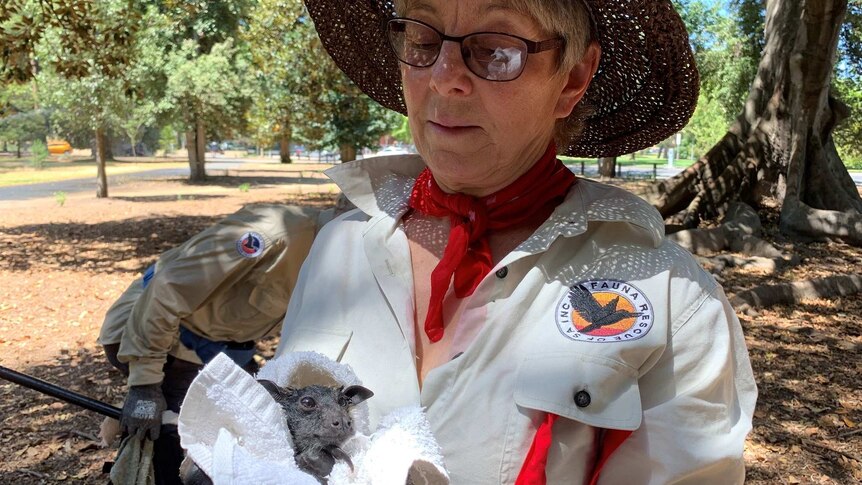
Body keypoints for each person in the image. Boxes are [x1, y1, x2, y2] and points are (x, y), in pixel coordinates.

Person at [272, 0, 758, 484]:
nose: (443, 76)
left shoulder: (673, 301)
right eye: (421, 38)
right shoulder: (340, 249)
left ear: (571, 79)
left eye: (495, 50)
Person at [99, 203, 325, 484]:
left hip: (221, 348)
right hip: (161, 339)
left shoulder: (334, 259)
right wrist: (145, 386)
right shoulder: (274, 234)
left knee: (246, 427)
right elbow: (168, 289)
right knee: (171, 444)